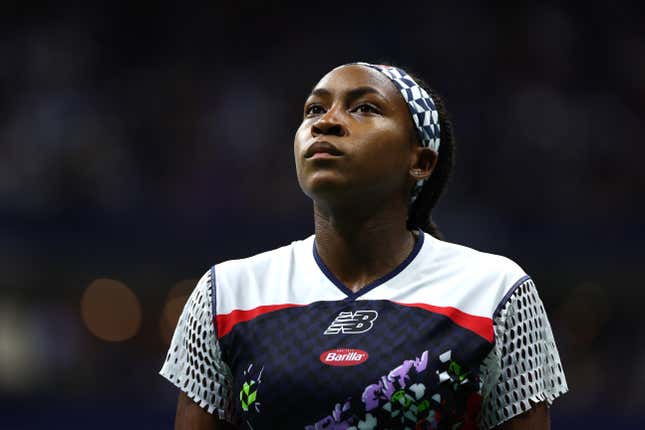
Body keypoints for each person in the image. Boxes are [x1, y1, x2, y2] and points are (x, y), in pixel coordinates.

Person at [160, 62, 568, 429]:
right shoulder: (226, 293)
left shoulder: (495, 291)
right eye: (314, 110)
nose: (326, 122)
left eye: (364, 108)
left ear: (421, 162)